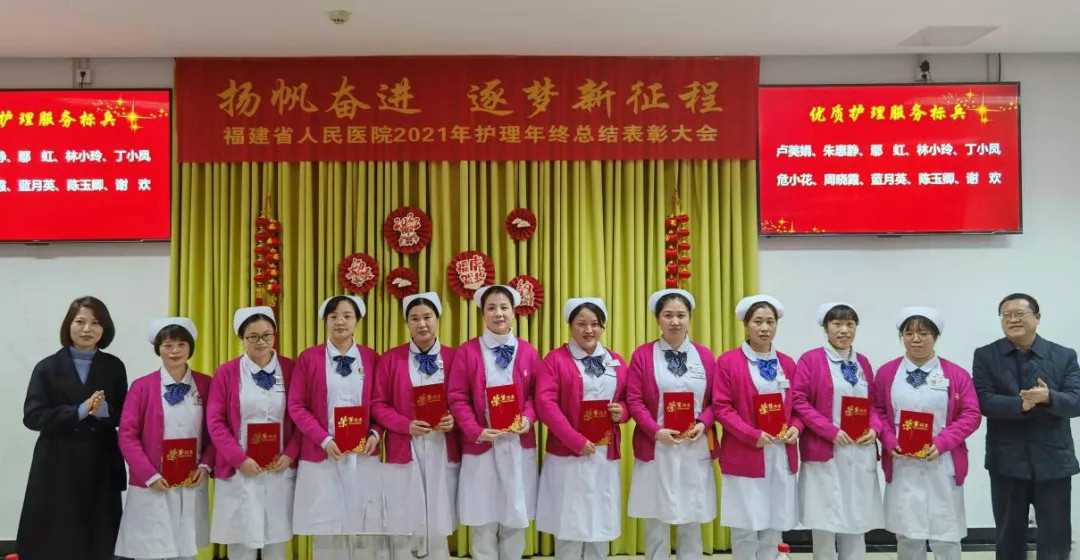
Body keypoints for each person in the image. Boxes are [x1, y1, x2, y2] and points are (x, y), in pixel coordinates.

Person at [17, 296, 128, 560]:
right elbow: (33, 416)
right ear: (68, 325)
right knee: (57, 534)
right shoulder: (47, 367)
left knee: (99, 536)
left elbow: (125, 415)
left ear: (105, 328)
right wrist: (79, 411)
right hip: (58, 461)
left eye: (95, 323)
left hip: (100, 460)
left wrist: (104, 411)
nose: (87, 329)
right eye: (80, 321)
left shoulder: (114, 366)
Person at [972, 293, 1080, 560]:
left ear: (1037, 318)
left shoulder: (1064, 356)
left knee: (1056, 537)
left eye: (1019, 314)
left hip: (1054, 460)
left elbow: (1076, 401)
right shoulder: (986, 355)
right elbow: (984, 401)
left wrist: (1049, 397)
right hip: (1006, 460)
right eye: (1006, 315)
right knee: (1008, 537)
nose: (1012, 320)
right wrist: (1021, 404)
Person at [872, 307, 981, 560]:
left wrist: (942, 443)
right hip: (903, 463)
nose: (916, 339)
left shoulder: (956, 374)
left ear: (935, 336)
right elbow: (877, 410)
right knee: (908, 534)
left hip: (942, 462)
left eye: (923, 333)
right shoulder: (887, 373)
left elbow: (971, 414)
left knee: (946, 534)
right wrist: (888, 439)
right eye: (909, 333)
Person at [288, 295, 388, 560]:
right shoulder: (309, 358)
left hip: (363, 455)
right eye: (333, 317)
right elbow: (296, 406)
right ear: (325, 321)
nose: (340, 321)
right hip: (322, 455)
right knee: (326, 525)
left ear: (357, 321)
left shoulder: (371, 358)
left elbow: (381, 403)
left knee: (366, 523)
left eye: (347, 316)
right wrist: (323, 439)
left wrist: (376, 433)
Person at [447, 284, 540, 560]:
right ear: (482, 313)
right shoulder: (468, 351)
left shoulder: (528, 351)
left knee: (515, 517)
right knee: (483, 518)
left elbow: (537, 395)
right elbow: (457, 397)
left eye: (504, 307)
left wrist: (528, 418)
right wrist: (475, 430)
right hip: (482, 446)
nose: (498, 313)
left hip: (517, 444)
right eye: (491, 308)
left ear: (513, 312)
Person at [626, 288, 719, 560]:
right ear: (658, 319)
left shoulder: (705, 356)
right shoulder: (643, 355)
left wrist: (704, 423)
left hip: (694, 446)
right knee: (656, 520)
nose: (675, 321)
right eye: (668, 315)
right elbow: (634, 400)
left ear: (690, 318)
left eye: (681, 315)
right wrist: (656, 432)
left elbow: (717, 401)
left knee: (692, 517)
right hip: (657, 448)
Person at [535, 298, 629, 560]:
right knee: (570, 524)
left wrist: (622, 412)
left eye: (595, 324)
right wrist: (574, 440)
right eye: (582, 324)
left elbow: (628, 398)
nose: (589, 330)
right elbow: (545, 404)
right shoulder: (555, 360)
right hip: (568, 454)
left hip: (604, 453)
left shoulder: (615, 360)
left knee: (601, 522)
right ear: (570, 325)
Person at [115, 317, 216, 560]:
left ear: (190, 347)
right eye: (168, 345)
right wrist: (149, 474)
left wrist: (205, 465)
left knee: (185, 550)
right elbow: (127, 435)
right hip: (153, 482)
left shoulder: (206, 384)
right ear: (158, 348)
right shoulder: (141, 387)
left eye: (181, 344)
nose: (175, 351)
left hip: (190, 480)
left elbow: (217, 430)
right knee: (148, 548)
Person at [207, 306, 300, 560]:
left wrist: (291, 454)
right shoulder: (226, 372)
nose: (262, 342)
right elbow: (215, 421)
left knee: (276, 544)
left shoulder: (290, 369)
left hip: (279, 468)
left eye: (267, 335)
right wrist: (239, 459)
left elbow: (302, 415)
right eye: (253, 337)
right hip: (240, 469)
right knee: (241, 544)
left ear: (275, 335)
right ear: (242, 338)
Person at [791, 303, 883, 560]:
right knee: (825, 521)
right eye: (837, 324)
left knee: (857, 519)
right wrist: (829, 430)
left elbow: (873, 405)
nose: (844, 330)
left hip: (859, 451)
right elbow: (799, 401)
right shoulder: (811, 360)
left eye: (850, 324)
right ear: (825, 328)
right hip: (825, 451)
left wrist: (875, 429)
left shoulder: (863, 362)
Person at [372, 292, 458, 560]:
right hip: (404, 445)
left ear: (438, 319)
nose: (422, 324)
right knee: (404, 512)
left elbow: (464, 399)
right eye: (415, 318)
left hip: (442, 445)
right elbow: (378, 404)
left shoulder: (454, 357)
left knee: (439, 512)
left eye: (427, 317)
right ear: (407, 323)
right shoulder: (391, 359)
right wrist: (405, 425)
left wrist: (453, 419)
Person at [713, 294, 800, 560]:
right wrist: (751, 434)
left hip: (780, 453)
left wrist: (797, 428)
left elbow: (797, 405)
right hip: (745, 453)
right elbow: (721, 407)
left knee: (774, 525)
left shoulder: (787, 363)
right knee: (745, 526)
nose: (765, 328)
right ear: (746, 325)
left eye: (770, 322)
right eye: (758, 321)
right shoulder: (728, 361)